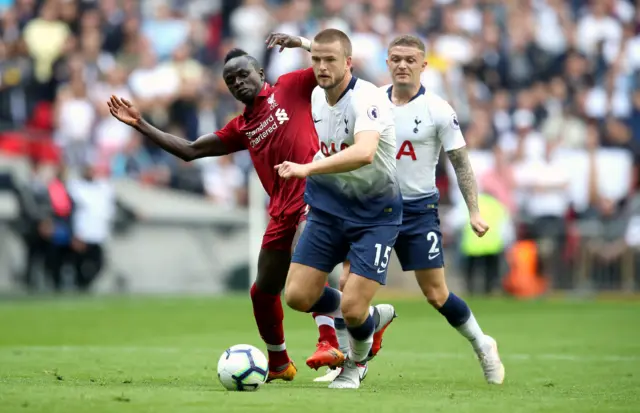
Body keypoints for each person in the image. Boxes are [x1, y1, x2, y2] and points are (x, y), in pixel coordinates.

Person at [278, 33, 505, 385]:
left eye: (410, 60)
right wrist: (306, 44)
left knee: (435, 293)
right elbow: (336, 59)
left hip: (414, 209)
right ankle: (353, 365)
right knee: (347, 289)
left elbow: (460, 163)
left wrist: (473, 210)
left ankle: (482, 343)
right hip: (364, 206)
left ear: (423, 66)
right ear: (387, 63)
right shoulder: (372, 99)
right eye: (395, 59)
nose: (402, 65)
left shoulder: (438, 111)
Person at [108, 48, 318, 383]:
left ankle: (334, 341)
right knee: (262, 293)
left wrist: (305, 43)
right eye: (230, 80)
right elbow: (190, 150)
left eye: (242, 74)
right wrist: (141, 124)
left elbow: (331, 59)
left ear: (261, 73)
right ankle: (279, 363)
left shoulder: (290, 88)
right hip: (280, 211)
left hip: (312, 198)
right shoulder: (242, 127)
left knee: (304, 282)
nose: (237, 82)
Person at [274, 28, 400, 389]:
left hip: (375, 213)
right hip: (329, 207)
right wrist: (300, 43)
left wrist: (306, 168)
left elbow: (363, 153)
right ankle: (372, 319)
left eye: (330, 60)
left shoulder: (369, 98)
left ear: (349, 63)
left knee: (352, 309)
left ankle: (354, 367)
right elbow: (325, 48)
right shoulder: (315, 96)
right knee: (298, 296)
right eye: (316, 60)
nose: (322, 66)